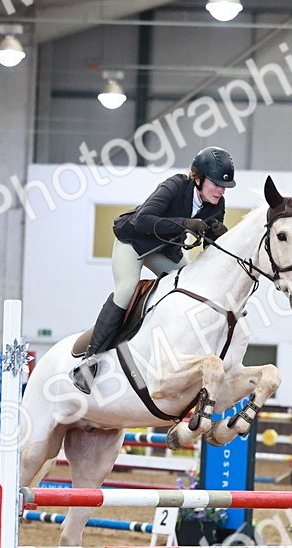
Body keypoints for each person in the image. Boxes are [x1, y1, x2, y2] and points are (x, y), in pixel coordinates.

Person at [70, 146, 236, 393]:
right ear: (198, 179)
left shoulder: (217, 204)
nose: (221, 191)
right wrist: (185, 223)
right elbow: (143, 220)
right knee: (126, 289)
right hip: (134, 243)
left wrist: (218, 236)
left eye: (224, 186)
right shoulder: (175, 186)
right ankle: (89, 362)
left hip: (164, 252)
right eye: (216, 184)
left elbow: (208, 246)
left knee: (193, 288)